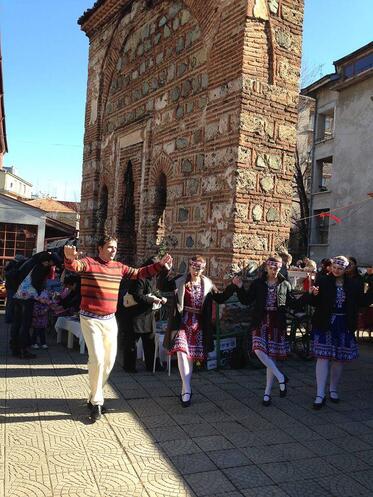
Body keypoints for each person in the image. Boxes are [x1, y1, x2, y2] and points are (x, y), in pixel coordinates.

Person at [63, 234, 172, 422]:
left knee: (109, 361)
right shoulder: (89, 263)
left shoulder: (118, 267)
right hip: (90, 318)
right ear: (100, 248)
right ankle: (97, 401)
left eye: (115, 247)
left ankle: (93, 396)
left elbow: (139, 273)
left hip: (109, 319)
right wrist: (69, 258)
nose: (113, 250)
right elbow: (74, 267)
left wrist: (159, 265)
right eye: (109, 247)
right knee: (96, 358)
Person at [159, 255, 236, 407]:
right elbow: (163, 286)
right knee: (181, 351)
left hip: (198, 324)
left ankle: (185, 390)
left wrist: (232, 286)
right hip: (181, 322)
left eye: (199, 268)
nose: (196, 270)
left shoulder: (207, 283)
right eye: (194, 267)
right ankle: (187, 388)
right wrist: (164, 269)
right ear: (190, 266)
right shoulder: (181, 280)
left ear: (203, 268)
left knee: (190, 357)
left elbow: (220, 298)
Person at [307, 256, 373, 409]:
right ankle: (320, 394)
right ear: (331, 267)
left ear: (345, 269)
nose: (336, 270)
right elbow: (314, 302)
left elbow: (363, 301)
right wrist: (313, 294)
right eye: (335, 267)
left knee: (339, 359)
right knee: (322, 357)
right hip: (325, 323)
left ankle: (333, 389)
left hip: (343, 323)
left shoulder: (354, 284)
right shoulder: (322, 281)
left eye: (340, 268)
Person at [234, 255, 300, 406]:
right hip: (260, 321)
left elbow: (294, 304)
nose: (274, 269)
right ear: (266, 267)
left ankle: (267, 394)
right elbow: (246, 300)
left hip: (277, 322)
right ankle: (281, 377)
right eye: (271, 266)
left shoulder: (285, 284)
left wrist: (311, 295)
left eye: (277, 267)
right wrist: (239, 288)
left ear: (280, 267)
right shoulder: (258, 283)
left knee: (272, 358)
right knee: (258, 349)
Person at [117, 256, 167, 373]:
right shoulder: (139, 277)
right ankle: (129, 367)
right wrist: (153, 300)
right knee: (131, 343)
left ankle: (153, 365)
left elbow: (153, 291)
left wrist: (160, 297)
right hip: (134, 316)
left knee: (150, 342)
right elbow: (136, 295)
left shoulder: (151, 277)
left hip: (147, 315)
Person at [11, 252, 55, 358]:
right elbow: (35, 285)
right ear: (46, 261)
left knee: (17, 323)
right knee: (25, 324)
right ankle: (23, 350)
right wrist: (41, 298)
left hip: (18, 295)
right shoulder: (39, 268)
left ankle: (15, 348)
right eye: (50, 263)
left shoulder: (30, 263)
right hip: (27, 299)